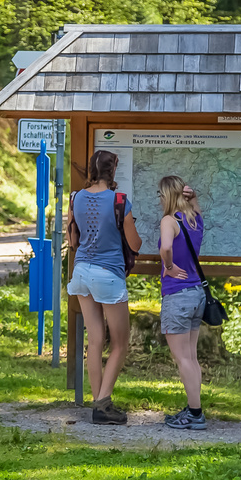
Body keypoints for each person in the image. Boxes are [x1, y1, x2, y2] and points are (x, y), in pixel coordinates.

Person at [66, 148, 141, 424]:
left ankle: (100, 404)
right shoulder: (120, 200)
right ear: (113, 171)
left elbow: (73, 241)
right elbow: (134, 244)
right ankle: (103, 402)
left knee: (95, 341)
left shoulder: (76, 198)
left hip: (82, 272)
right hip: (108, 274)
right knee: (120, 343)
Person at [157, 175, 208, 430]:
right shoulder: (194, 219)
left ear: (167, 195)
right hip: (197, 293)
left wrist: (168, 266)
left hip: (177, 295)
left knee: (183, 359)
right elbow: (195, 204)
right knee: (191, 357)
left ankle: (196, 414)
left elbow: (166, 247)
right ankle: (193, 407)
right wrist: (193, 195)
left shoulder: (169, 221)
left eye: (160, 195)